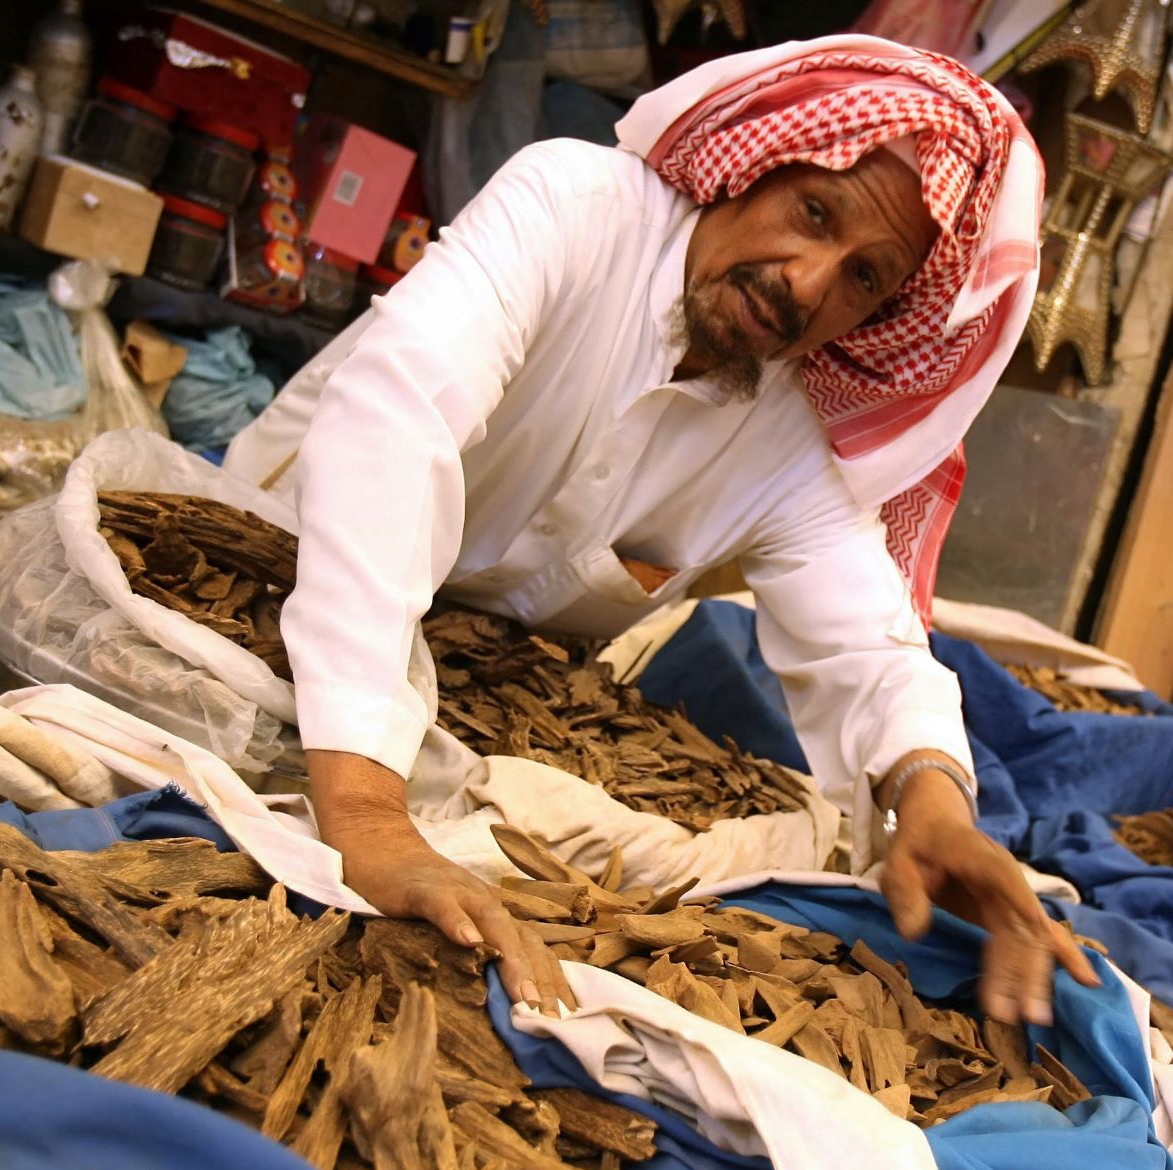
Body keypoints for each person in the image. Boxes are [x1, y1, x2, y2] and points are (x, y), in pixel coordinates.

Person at [224, 36, 1097, 1023]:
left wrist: (931, 801)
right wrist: (369, 816)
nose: (810, 284)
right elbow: (390, 431)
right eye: (816, 214)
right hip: (266, 583)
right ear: (756, 157)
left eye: (863, 279)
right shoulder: (573, 209)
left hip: (463, 701)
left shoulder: (791, 431)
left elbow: (870, 645)